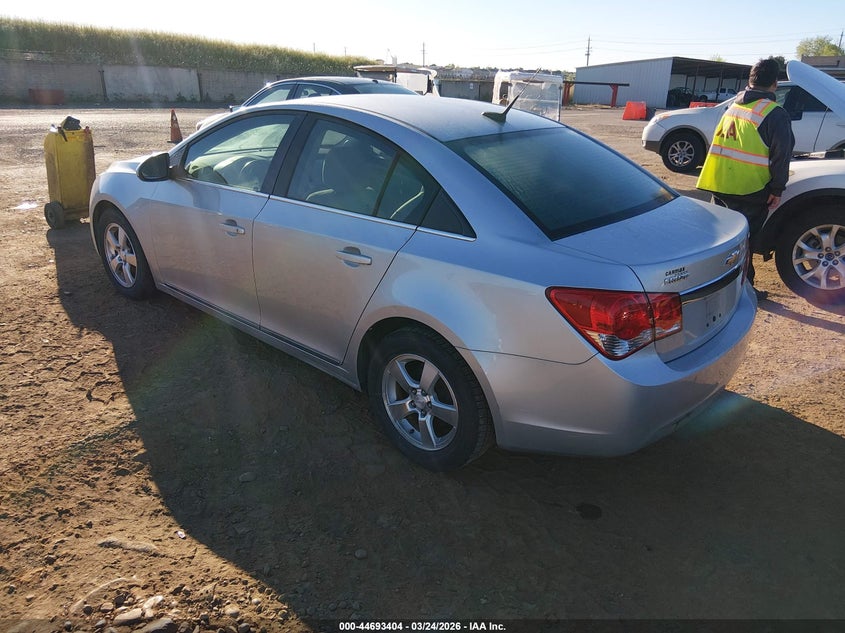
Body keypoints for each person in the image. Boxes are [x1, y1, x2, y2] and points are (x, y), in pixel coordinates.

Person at [696, 57, 795, 301]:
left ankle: (716, 286)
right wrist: (777, 188)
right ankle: (744, 291)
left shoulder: (734, 107)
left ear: (750, 81)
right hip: (750, 188)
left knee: (723, 241)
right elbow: (781, 155)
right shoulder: (774, 114)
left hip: (719, 183)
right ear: (775, 83)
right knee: (744, 243)